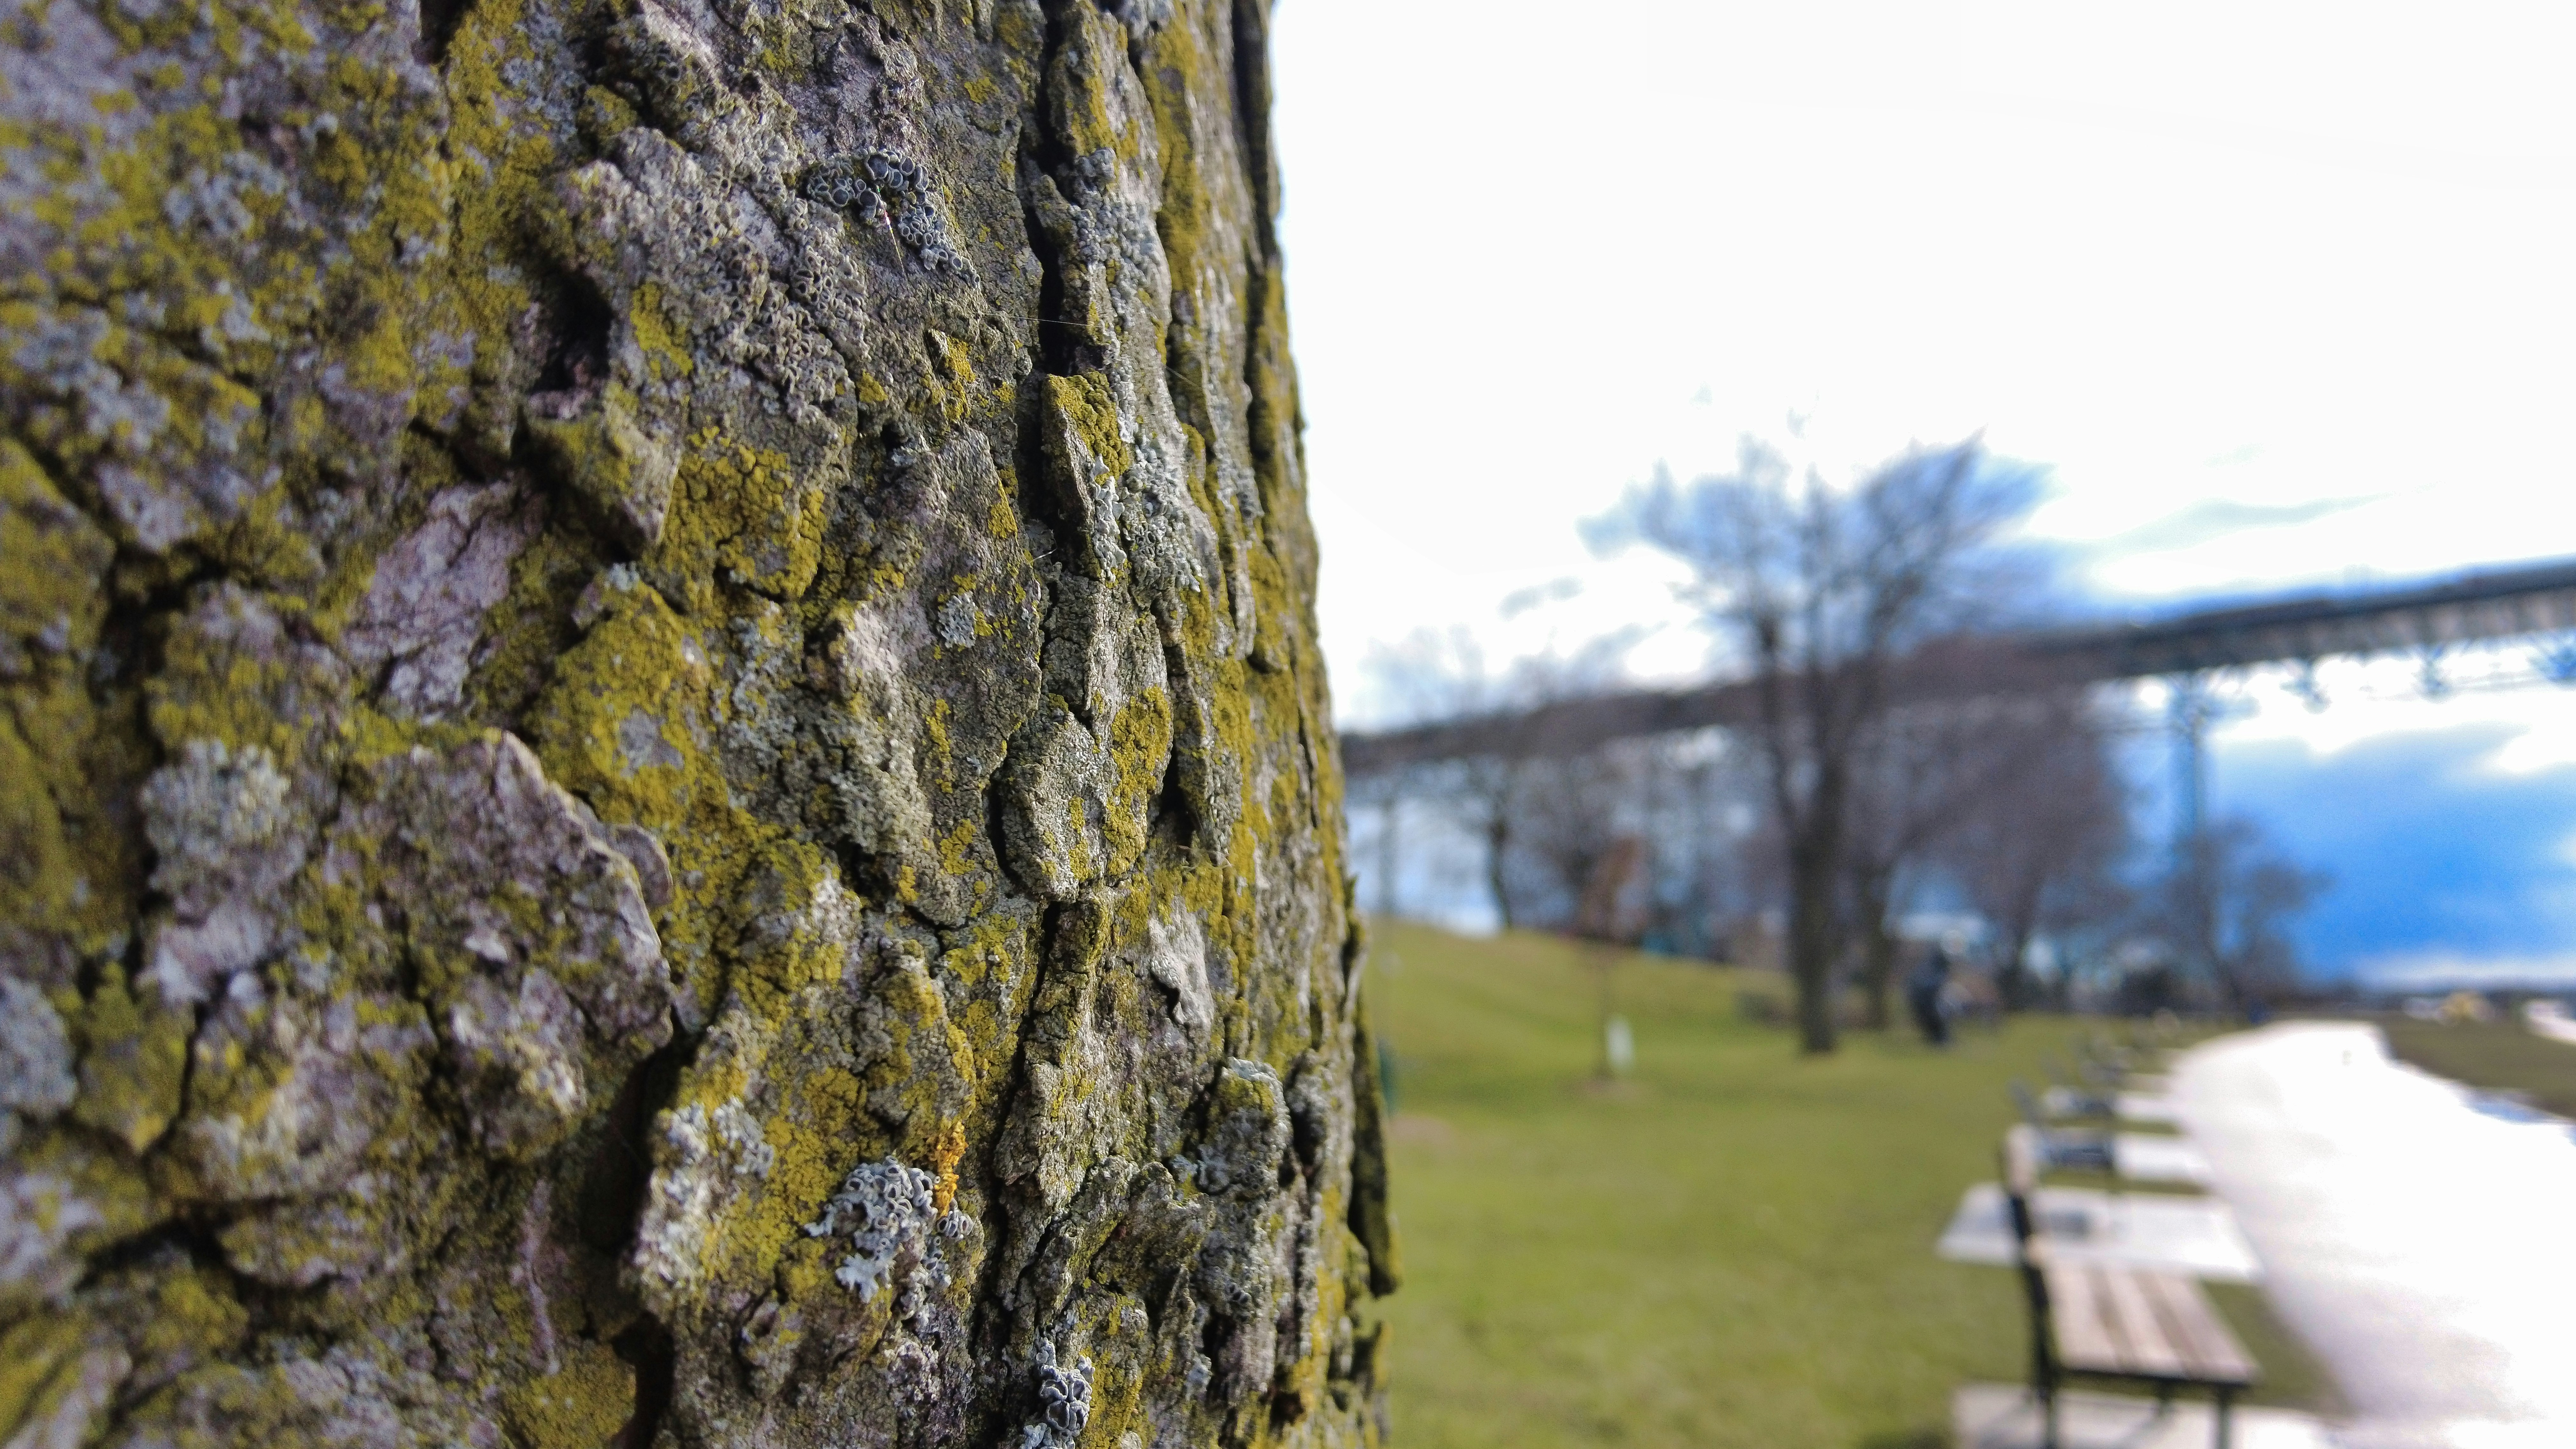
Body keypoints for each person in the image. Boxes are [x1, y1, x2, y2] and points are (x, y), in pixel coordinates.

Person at [1907, 934, 1959, 1046]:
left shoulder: (1936, 963)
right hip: (1925, 993)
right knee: (1935, 1015)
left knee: (1937, 1015)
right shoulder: (1935, 965)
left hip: (1926, 993)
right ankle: (1940, 1039)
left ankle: (1940, 1039)